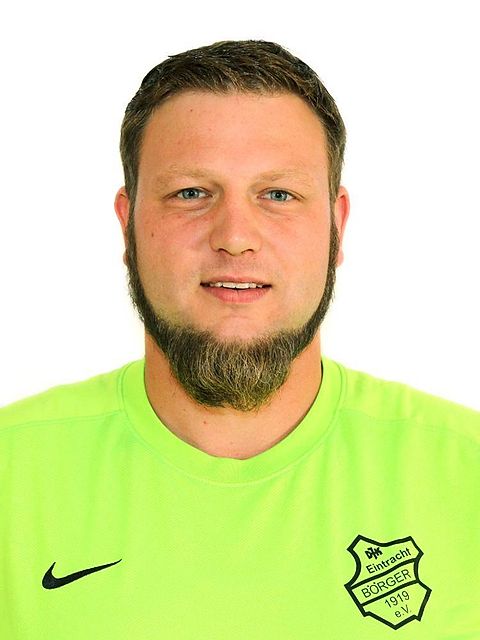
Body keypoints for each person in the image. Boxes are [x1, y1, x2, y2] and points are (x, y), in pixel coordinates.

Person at [0, 40, 479, 640]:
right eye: (191, 193)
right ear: (128, 225)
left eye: (278, 195)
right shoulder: (11, 474)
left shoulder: (467, 475)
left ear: (336, 226)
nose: (234, 236)